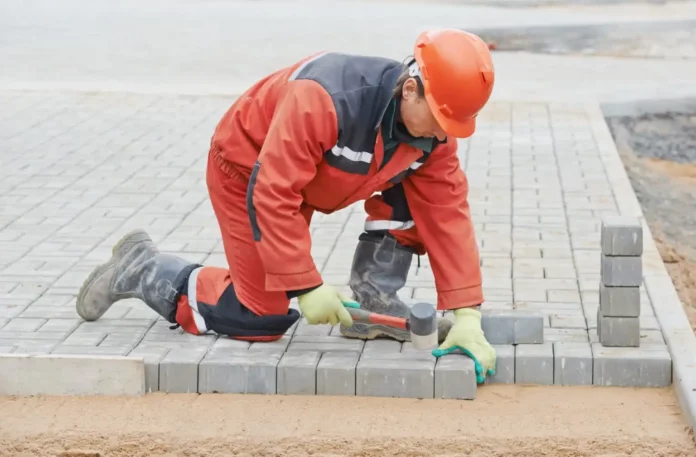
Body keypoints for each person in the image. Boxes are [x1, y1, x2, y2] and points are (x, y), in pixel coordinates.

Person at [76, 28, 497, 383]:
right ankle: (142, 267)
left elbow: (447, 215)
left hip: (308, 179)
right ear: (411, 90)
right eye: (441, 120)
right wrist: (306, 285)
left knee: (424, 198)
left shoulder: (433, 136)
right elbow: (273, 193)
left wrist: (467, 316)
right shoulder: (325, 97)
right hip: (248, 171)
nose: (444, 135)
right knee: (260, 316)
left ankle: (375, 303)